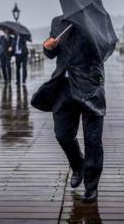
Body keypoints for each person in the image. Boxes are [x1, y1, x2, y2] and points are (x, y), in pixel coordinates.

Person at [38, 16, 106, 203]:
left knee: (93, 140)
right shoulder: (58, 23)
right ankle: (77, 165)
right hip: (64, 86)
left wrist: (89, 32)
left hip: (90, 86)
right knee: (62, 135)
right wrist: (48, 46)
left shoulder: (96, 24)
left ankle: (91, 187)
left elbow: (103, 51)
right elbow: (52, 53)